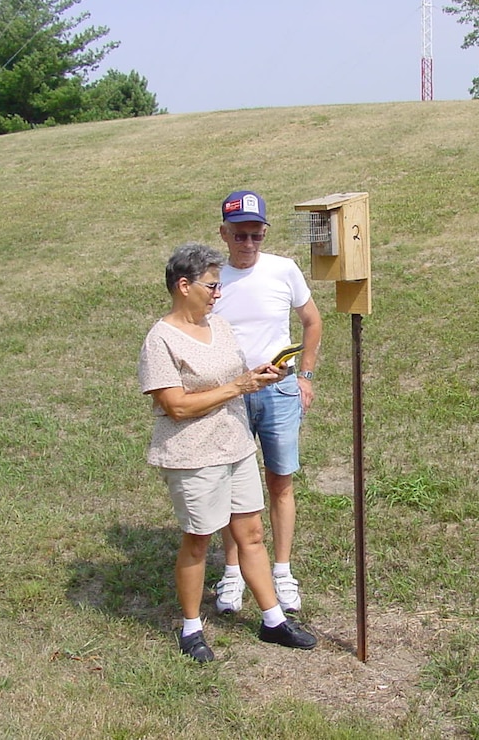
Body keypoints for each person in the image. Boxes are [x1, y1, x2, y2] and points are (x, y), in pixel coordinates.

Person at [137, 242, 317, 662]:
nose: (219, 294)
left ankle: (273, 620)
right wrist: (238, 387)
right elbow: (177, 405)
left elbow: (231, 376)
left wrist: (257, 377)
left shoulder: (219, 326)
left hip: (235, 446)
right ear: (184, 286)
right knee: (199, 541)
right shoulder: (160, 340)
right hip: (194, 454)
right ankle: (191, 628)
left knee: (251, 534)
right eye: (212, 286)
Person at [211, 190, 323, 615]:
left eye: (256, 236)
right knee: (231, 486)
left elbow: (312, 320)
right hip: (231, 396)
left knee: (280, 480)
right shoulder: (213, 277)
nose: (249, 245)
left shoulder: (283, 270)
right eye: (240, 236)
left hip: (279, 391)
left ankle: (282, 572)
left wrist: (306, 376)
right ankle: (233, 572)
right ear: (224, 233)